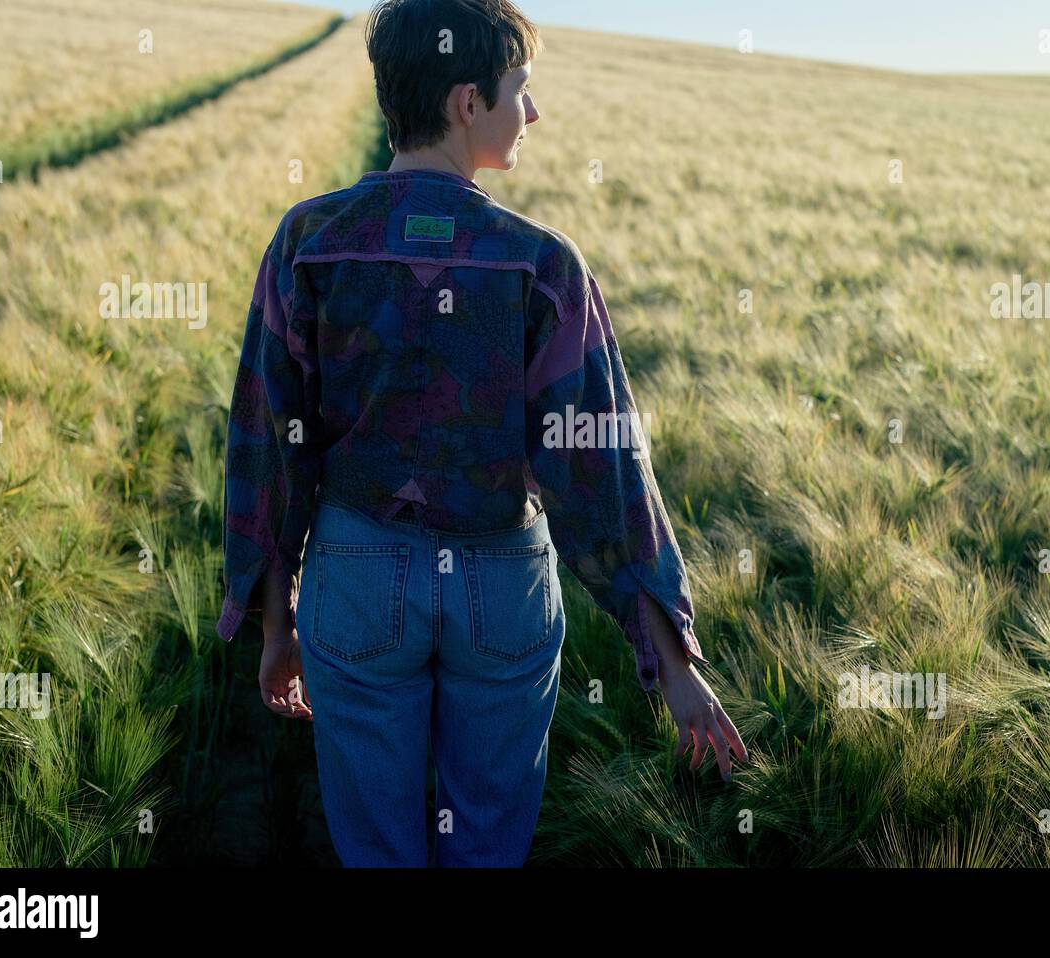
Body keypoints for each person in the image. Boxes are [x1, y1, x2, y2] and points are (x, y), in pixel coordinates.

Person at [216, 0, 747, 866]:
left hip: (355, 575)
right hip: (500, 583)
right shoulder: (543, 262)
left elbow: (269, 443)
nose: (531, 114)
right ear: (468, 102)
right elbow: (602, 469)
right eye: (520, 91)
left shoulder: (308, 241)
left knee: (378, 851)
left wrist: (278, 624)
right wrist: (673, 663)